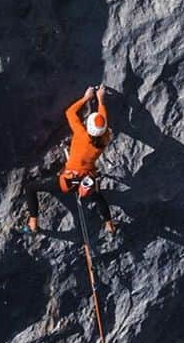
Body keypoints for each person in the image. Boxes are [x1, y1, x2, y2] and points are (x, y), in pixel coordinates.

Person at [25, 85, 116, 233]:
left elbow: (70, 112)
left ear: (88, 125)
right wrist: (101, 100)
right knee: (98, 197)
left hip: (66, 181)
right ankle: (109, 223)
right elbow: (102, 121)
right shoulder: (104, 140)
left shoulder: (81, 134)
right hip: (86, 182)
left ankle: (33, 222)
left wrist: (86, 98)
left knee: (30, 188)